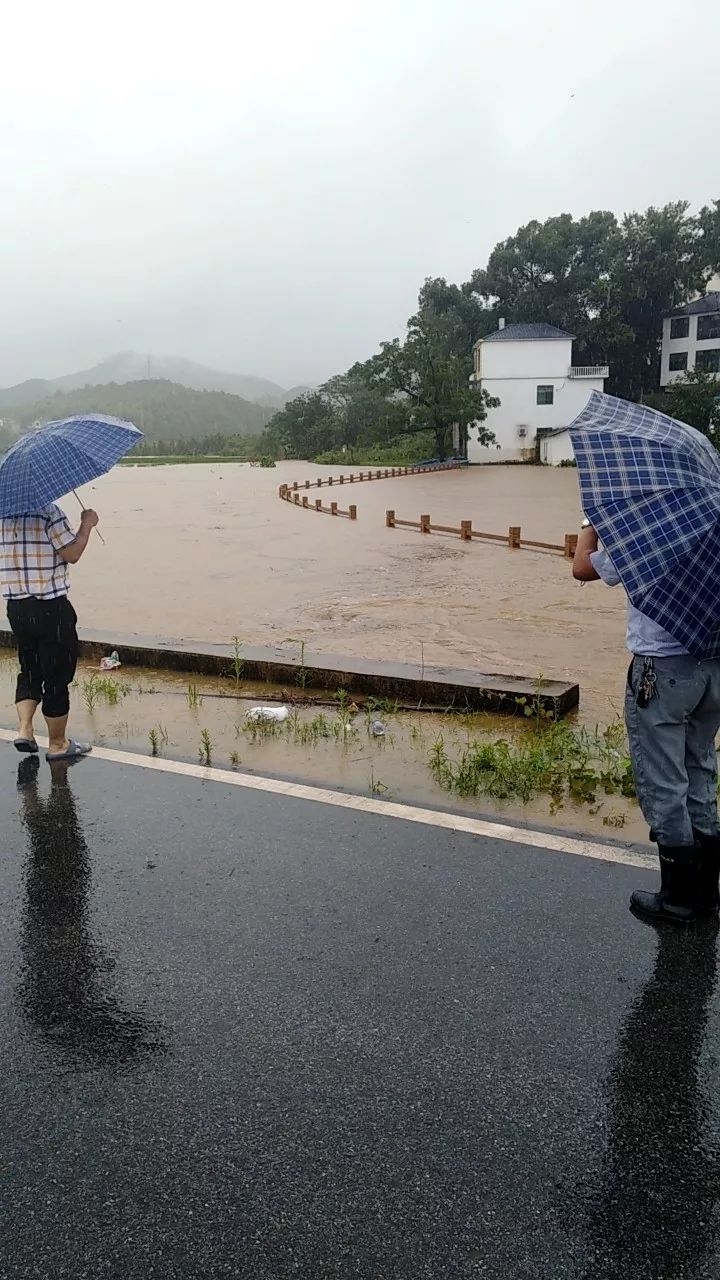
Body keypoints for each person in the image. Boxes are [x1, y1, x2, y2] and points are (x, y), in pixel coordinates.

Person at [573, 521, 720, 925]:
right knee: (700, 769)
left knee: (665, 780)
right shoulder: (712, 524)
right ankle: (707, 893)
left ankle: (677, 897)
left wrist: (590, 523)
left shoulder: (651, 528)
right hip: (712, 668)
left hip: (663, 670)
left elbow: (582, 567)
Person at [0, 503, 98, 761]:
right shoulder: (48, 512)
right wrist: (87, 524)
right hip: (50, 607)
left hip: (17, 607)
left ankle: (25, 729)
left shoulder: (3, 514)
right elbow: (72, 553)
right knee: (57, 674)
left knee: (29, 668)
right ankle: (57, 744)